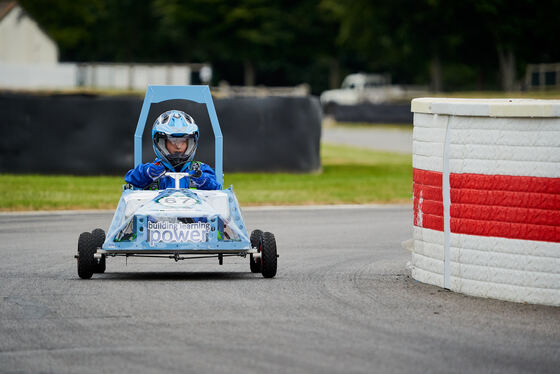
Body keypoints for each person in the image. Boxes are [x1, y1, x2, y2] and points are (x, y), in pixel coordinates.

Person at [125, 110, 221, 190]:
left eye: (183, 141)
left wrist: (203, 180)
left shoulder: (200, 169)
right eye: (173, 141)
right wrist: (147, 173)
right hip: (157, 212)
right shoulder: (153, 169)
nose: (178, 146)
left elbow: (216, 189)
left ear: (191, 143)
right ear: (161, 143)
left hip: (194, 212)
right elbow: (131, 179)